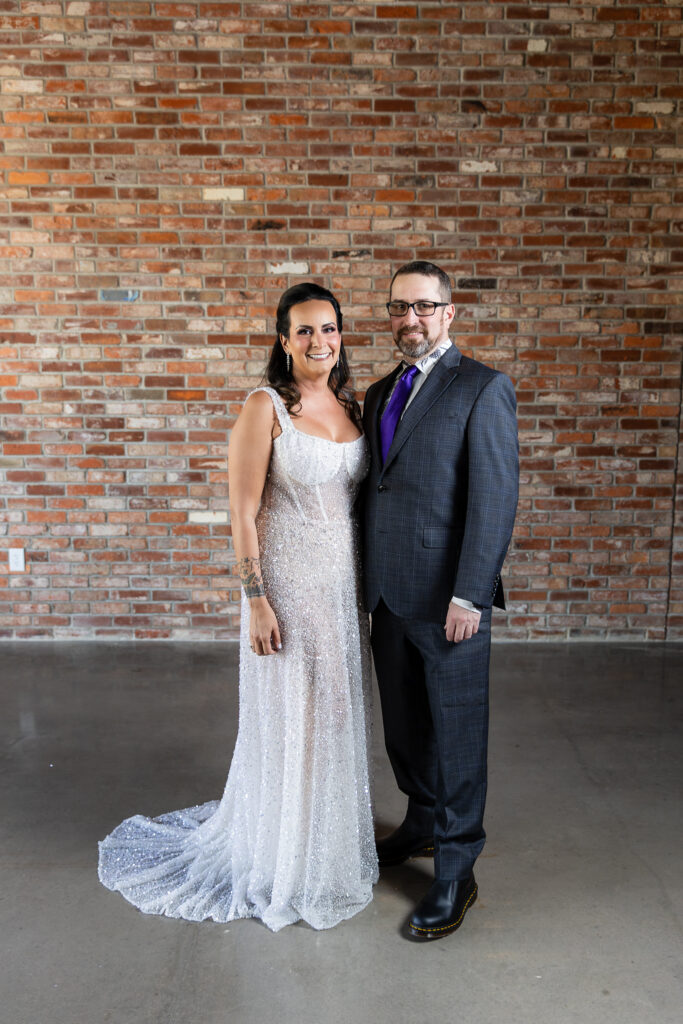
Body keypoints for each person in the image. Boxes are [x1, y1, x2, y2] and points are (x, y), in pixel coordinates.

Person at [98, 282, 378, 931]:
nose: (318, 341)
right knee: (291, 721)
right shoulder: (265, 407)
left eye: (328, 329)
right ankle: (279, 858)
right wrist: (255, 600)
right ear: (283, 341)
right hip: (284, 587)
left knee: (332, 716)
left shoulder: (348, 406)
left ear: (341, 336)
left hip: (339, 592)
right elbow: (242, 512)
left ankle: (323, 847)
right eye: (303, 330)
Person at [362, 260, 518, 941]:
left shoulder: (481, 388)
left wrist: (470, 593)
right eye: (399, 307)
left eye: (424, 307)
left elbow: (494, 499)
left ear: (449, 314)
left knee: (455, 736)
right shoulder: (376, 392)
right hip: (388, 596)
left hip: (449, 600)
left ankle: (456, 869)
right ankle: (421, 821)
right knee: (404, 727)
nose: (411, 319)